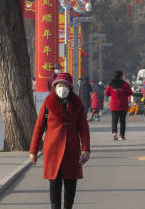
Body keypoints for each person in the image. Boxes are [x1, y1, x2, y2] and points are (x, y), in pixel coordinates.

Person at [30, 72, 91, 209]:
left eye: (65, 85)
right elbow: (39, 128)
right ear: (54, 86)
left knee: (70, 186)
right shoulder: (48, 103)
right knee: (54, 186)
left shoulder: (77, 104)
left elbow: (84, 129)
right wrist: (33, 151)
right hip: (53, 150)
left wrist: (85, 149)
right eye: (59, 85)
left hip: (72, 150)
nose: (62, 88)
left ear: (70, 87)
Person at [104, 70, 133, 140]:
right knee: (122, 121)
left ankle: (114, 132)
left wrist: (113, 92)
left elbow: (106, 94)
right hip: (123, 105)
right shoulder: (125, 84)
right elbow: (130, 93)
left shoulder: (110, 84)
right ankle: (121, 136)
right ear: (121, 76)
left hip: (114, 105)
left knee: (114, 120)